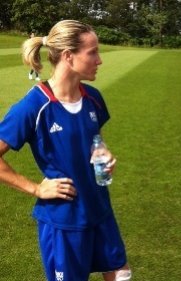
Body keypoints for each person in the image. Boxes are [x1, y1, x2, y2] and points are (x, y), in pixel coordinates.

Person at [0, 20, 132, 281]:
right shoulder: (33, 106)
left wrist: (103, 153)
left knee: (121, 274)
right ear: (69, 57)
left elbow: (94, 139)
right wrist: (36, 189)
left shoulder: (93, 97)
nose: (99, 60)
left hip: (99, 209)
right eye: (92, 52)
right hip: (64, 219)